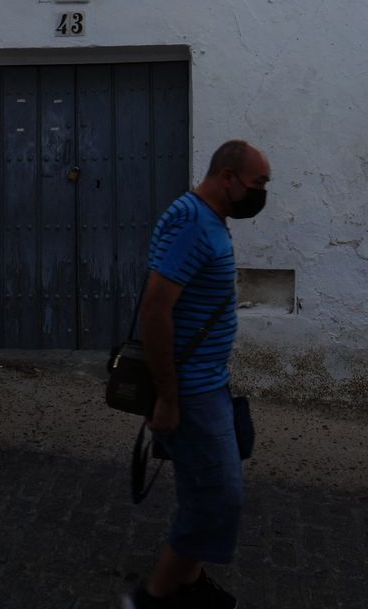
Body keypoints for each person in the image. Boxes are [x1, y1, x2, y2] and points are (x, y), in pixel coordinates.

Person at [122, 139, 271, 609]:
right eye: (258, 183)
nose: (262, 193)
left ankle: (189, 582)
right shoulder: (191, 222)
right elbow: (155, 310)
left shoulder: (207, 219)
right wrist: (168, 397)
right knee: (217, 497)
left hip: (207, 381)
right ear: (227, 177)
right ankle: (154, 596)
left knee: (205, 488)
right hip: (190, 390)